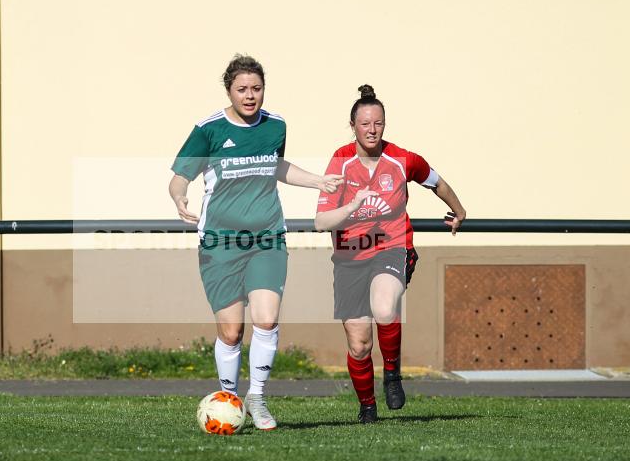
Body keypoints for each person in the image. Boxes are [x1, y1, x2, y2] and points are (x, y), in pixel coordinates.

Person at [169, 54, 342, 430]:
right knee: (231, 331)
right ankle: (229, 398)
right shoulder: (208, 130)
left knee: (266, 319)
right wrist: (179, 196)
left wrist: (317, 181)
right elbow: (180, 175)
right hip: (220, 243)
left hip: (267, 238)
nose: (250, 96)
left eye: (257, 89)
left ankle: (258, 397)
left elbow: (275, 165)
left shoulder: (275, 125)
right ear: (229, 91)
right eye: (242, 89)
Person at [315, 85, 466, 424]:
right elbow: (321, 220)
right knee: (359, 345)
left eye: (378, 123)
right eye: (365, 123)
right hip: (349, 257)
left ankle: (393, 374)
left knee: (384, 307)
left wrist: (459, 210)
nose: (371, 130)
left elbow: (436, 181)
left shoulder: (402, 159)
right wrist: (352, 204)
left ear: (385, 125)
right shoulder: (341, 162)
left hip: (392, 246)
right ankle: (367, 408)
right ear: (352, 125)